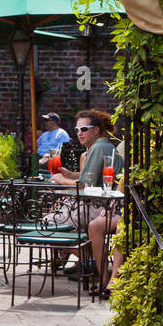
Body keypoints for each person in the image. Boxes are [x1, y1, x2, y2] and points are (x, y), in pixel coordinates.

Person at [44, 109, 121, 276]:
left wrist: (61, 180)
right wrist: (69, 175)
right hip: (101, 204)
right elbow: (91, 177)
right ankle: (88, 259)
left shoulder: (98, 147)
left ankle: (91, 258)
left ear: (97, 130)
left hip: (103, 206)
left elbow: (86, 185)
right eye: (77, 130)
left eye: (84, 129)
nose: (79, 133)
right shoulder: (101, 146)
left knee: (47, 224)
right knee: (58, 213)